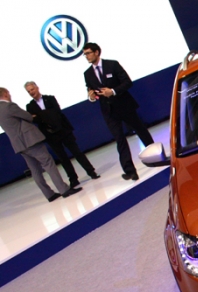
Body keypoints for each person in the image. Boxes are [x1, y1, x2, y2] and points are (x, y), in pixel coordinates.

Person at [82, 42, 154, 181]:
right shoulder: (87, 74)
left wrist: (113, 91)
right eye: (85, 54)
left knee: (141, 131)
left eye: (88, 53)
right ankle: (130, 171)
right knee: (119, 139)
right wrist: (91, 96)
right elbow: (91, 90)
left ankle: (156, 156)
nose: (87, 56)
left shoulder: (112, 65)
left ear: (96, 52)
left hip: (124, 105)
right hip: (108, 111)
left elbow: (127, 82)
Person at [0, 87, 82, 201]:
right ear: (5, 94)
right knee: (48, 163)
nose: (10, 95)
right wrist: (31, 116)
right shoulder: (10, 106)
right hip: (30, 140)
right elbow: (28, 117)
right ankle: (64, 189)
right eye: (8, 93)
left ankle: (49, 194)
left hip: (19, 145)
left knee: (35, 170)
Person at [25, 81, 100, 188]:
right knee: (63, 158)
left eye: (32, 89)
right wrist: (47, 114)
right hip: (50, 135)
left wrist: (40, 115)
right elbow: (35, 120)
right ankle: (73, 179)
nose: (31, 92)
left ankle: (91, 172)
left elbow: (56, 112)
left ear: (37, 88)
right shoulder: (30, 106)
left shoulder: (50, 98)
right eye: (28, 91)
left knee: (77, 152)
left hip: (63, 129)